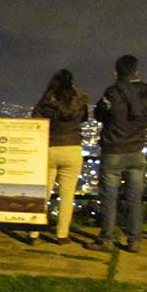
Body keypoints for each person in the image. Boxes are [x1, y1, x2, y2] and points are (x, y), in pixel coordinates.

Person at [85, 55, 147, 253]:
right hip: (136, 151)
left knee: (109, 198)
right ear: (137, 73)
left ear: (116, 73)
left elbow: (99, 114)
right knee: (135, 199)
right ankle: (134, 240)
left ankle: (106, 239)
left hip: (113, 151)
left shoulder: (112, 92)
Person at [28, 69, 89, 245]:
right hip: (72, 148)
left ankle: (33, 233)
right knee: (68, 195)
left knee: (43, 194)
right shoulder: (79, 101)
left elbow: (35, 119)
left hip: (50, 148)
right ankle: (62, 235)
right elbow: (84, 118)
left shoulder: (47, 100)